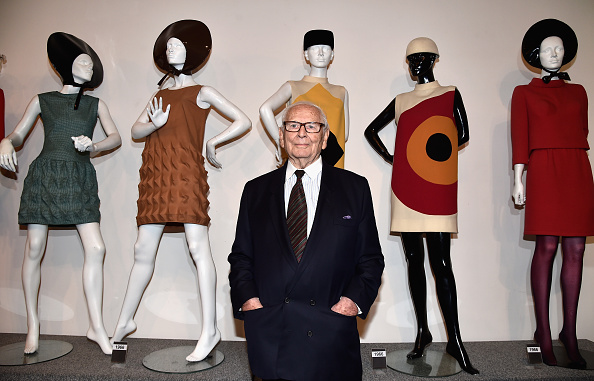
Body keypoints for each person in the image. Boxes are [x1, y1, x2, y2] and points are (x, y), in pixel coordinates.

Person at [110, 20, 251, 363]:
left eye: (178, 46)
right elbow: (135, 129)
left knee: (198, 248)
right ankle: (125, 320)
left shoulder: (202, 91)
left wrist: (214, 142)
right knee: (142, 248)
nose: (172, 50)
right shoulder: (158, 95)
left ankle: (210, 329)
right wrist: (153, 124)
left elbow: (243, 120)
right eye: (168, 46)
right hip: (157, 175)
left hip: (184, 174)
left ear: (190, 51)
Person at [229, 101, 384, 381]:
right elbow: (241, 257)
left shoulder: (355, 188)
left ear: (324, 138)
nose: (302, 133)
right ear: (281, 135)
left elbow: (370, 260)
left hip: (331, 333)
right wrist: (250, 302)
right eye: (293, 125)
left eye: (312, 126)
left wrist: (351, 303)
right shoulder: (255, 191)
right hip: (273, 334)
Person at [0, 32, 121, 355]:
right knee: (34, 247)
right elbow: (18, 135)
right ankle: (33, 327)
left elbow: (116, 137)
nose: (89, 65)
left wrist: (93, 146)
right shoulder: (43, 100)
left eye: (91, 62)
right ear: (66, 65)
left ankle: (96, 326)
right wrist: (4, 142)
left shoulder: (97, 104)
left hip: (79, 177)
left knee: (96, 247)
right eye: (83, 60)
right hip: (45, 177)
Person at [364, 37, 478, 374]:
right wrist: (392, 157)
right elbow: (372, 130)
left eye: (421, 59)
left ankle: (455, 339)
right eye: (410, 60)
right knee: (414, 259)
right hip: (406, 188)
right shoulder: (401, 100)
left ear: (433, 60)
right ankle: (422, 331)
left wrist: (434, 151)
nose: (414, 65)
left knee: (441, 262)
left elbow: (463, 134)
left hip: (437, 187)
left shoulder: (450, 93)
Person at [511, 19, 593, 368]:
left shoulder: (579, 92)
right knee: (546, 245)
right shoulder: (524, 92)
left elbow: (582, 133)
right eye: (547, 48)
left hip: (576, 168)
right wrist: (518, 179)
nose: (554, 53)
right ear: (535, 54)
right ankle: (543, 332)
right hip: (543, 170)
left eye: (559, 48)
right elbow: (520, 139)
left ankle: (569, 334)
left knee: (576, 249)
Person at [260, 29, 349, 168]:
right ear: (306, 55)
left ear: (332, 54)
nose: (320, 53)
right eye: (315, 49)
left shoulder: (341, 91)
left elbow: (344, 134)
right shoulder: (293, 87)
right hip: (299, 156)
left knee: (331, 187)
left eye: (325, 49)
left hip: (333, 160)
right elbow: (265, 109)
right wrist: (280, 140)